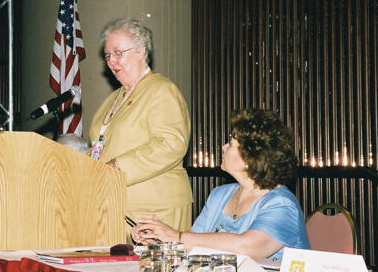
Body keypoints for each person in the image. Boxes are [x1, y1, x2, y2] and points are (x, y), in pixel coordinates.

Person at [132, 108, 310, 259]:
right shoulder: (220, 195)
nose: (223, 147)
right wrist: (160, 241)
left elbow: (248, 248)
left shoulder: (282, 205)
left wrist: (177, 236)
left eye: (231, 144)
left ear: (251, 157)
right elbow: (194, 245)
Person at [89, 18, 192, 233]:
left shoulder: (161, 90)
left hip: (155, 209)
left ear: (141, 51)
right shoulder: (114, 98)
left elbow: (171, 144)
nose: (111, 62)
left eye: (118, 53)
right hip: (115, 206)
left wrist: (117, 167)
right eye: (107, 56)